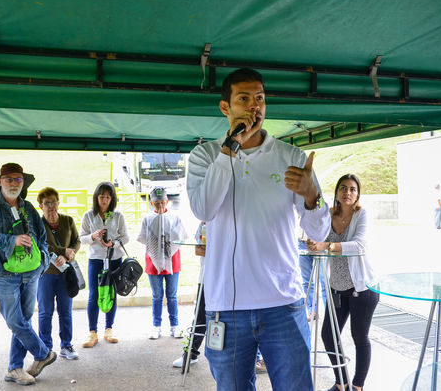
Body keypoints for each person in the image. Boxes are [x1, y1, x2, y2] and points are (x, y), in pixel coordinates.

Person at [186, 68, 330, 390]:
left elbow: (319, 234)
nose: (255, 107)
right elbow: (204, 209)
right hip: (225, 308)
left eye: (260, 99)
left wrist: (311, 196)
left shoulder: (290, 156)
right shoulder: (204, 156)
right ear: (226, 108)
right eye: (244, 99)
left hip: (284, 303)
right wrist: (229, 150)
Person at [0, 163, 56, 386]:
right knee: (15, 321)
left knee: (24, 321)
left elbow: (41, 238)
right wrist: (11, 240)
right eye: (8, 179)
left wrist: (42, 262)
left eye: (18, 179)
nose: (14, 183)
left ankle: (14, 368)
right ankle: (43, 353)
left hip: (31, 273)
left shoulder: (28, 207)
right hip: (3, 273)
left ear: (23, 183)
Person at [306, 174, 377, 391]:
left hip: (362, 288)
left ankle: (357, 386)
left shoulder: (361, 214)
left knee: (359, 337)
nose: (348, 193)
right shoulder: (328, 216)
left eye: (353, 189)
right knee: (328, 336)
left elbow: (359, 246)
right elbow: (315, 237)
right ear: (337, 192)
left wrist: (327, 245)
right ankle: (341, 383)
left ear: (358, 194)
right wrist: (312, 243)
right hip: (336, 288)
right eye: (343, 188)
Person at [79, 181, 129, 347]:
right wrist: (93, 236)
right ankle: (92, 332)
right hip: (96, 259)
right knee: (94, 295)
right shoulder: (88, 215)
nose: (105, 200)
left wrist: (113, 244)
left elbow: (126, 237)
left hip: (115, 259)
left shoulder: (118, 216)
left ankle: (109, 329)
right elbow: (81, 238)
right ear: (96, 197)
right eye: (102, 197)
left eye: (108, 197)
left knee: (112, 293)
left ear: (112, 199)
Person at [36, 187, 81, 360]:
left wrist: (72, 252)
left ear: (58, 203)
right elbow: (42, 245)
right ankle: (46, 348)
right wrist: (64, 251)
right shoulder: (38, 224)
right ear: (40, 206)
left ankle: (66, 345)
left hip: (65, 273)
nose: (51, 206)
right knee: (45, 311)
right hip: (46, 273)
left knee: (66, 311)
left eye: (53, 202)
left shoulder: (68, 220)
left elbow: (76, 241)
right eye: (46, 203)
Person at [137, 186, 187, 340]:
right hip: (153, 262)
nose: (160, 206)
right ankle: (156, 326)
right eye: (156, 203)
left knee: (171, 295)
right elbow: (144, 238)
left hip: (172, 260)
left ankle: (174, 325)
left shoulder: (175, 217)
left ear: (167, 202)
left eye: (162, 202)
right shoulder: (148, 218)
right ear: (152, 203)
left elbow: (180, 237)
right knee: (157, 295)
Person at [172, 222, 207, 370]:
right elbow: (199, 249)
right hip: (206, 277)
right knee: (200, 317)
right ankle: (190, 354)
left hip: (230, 279)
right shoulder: (205, 220)